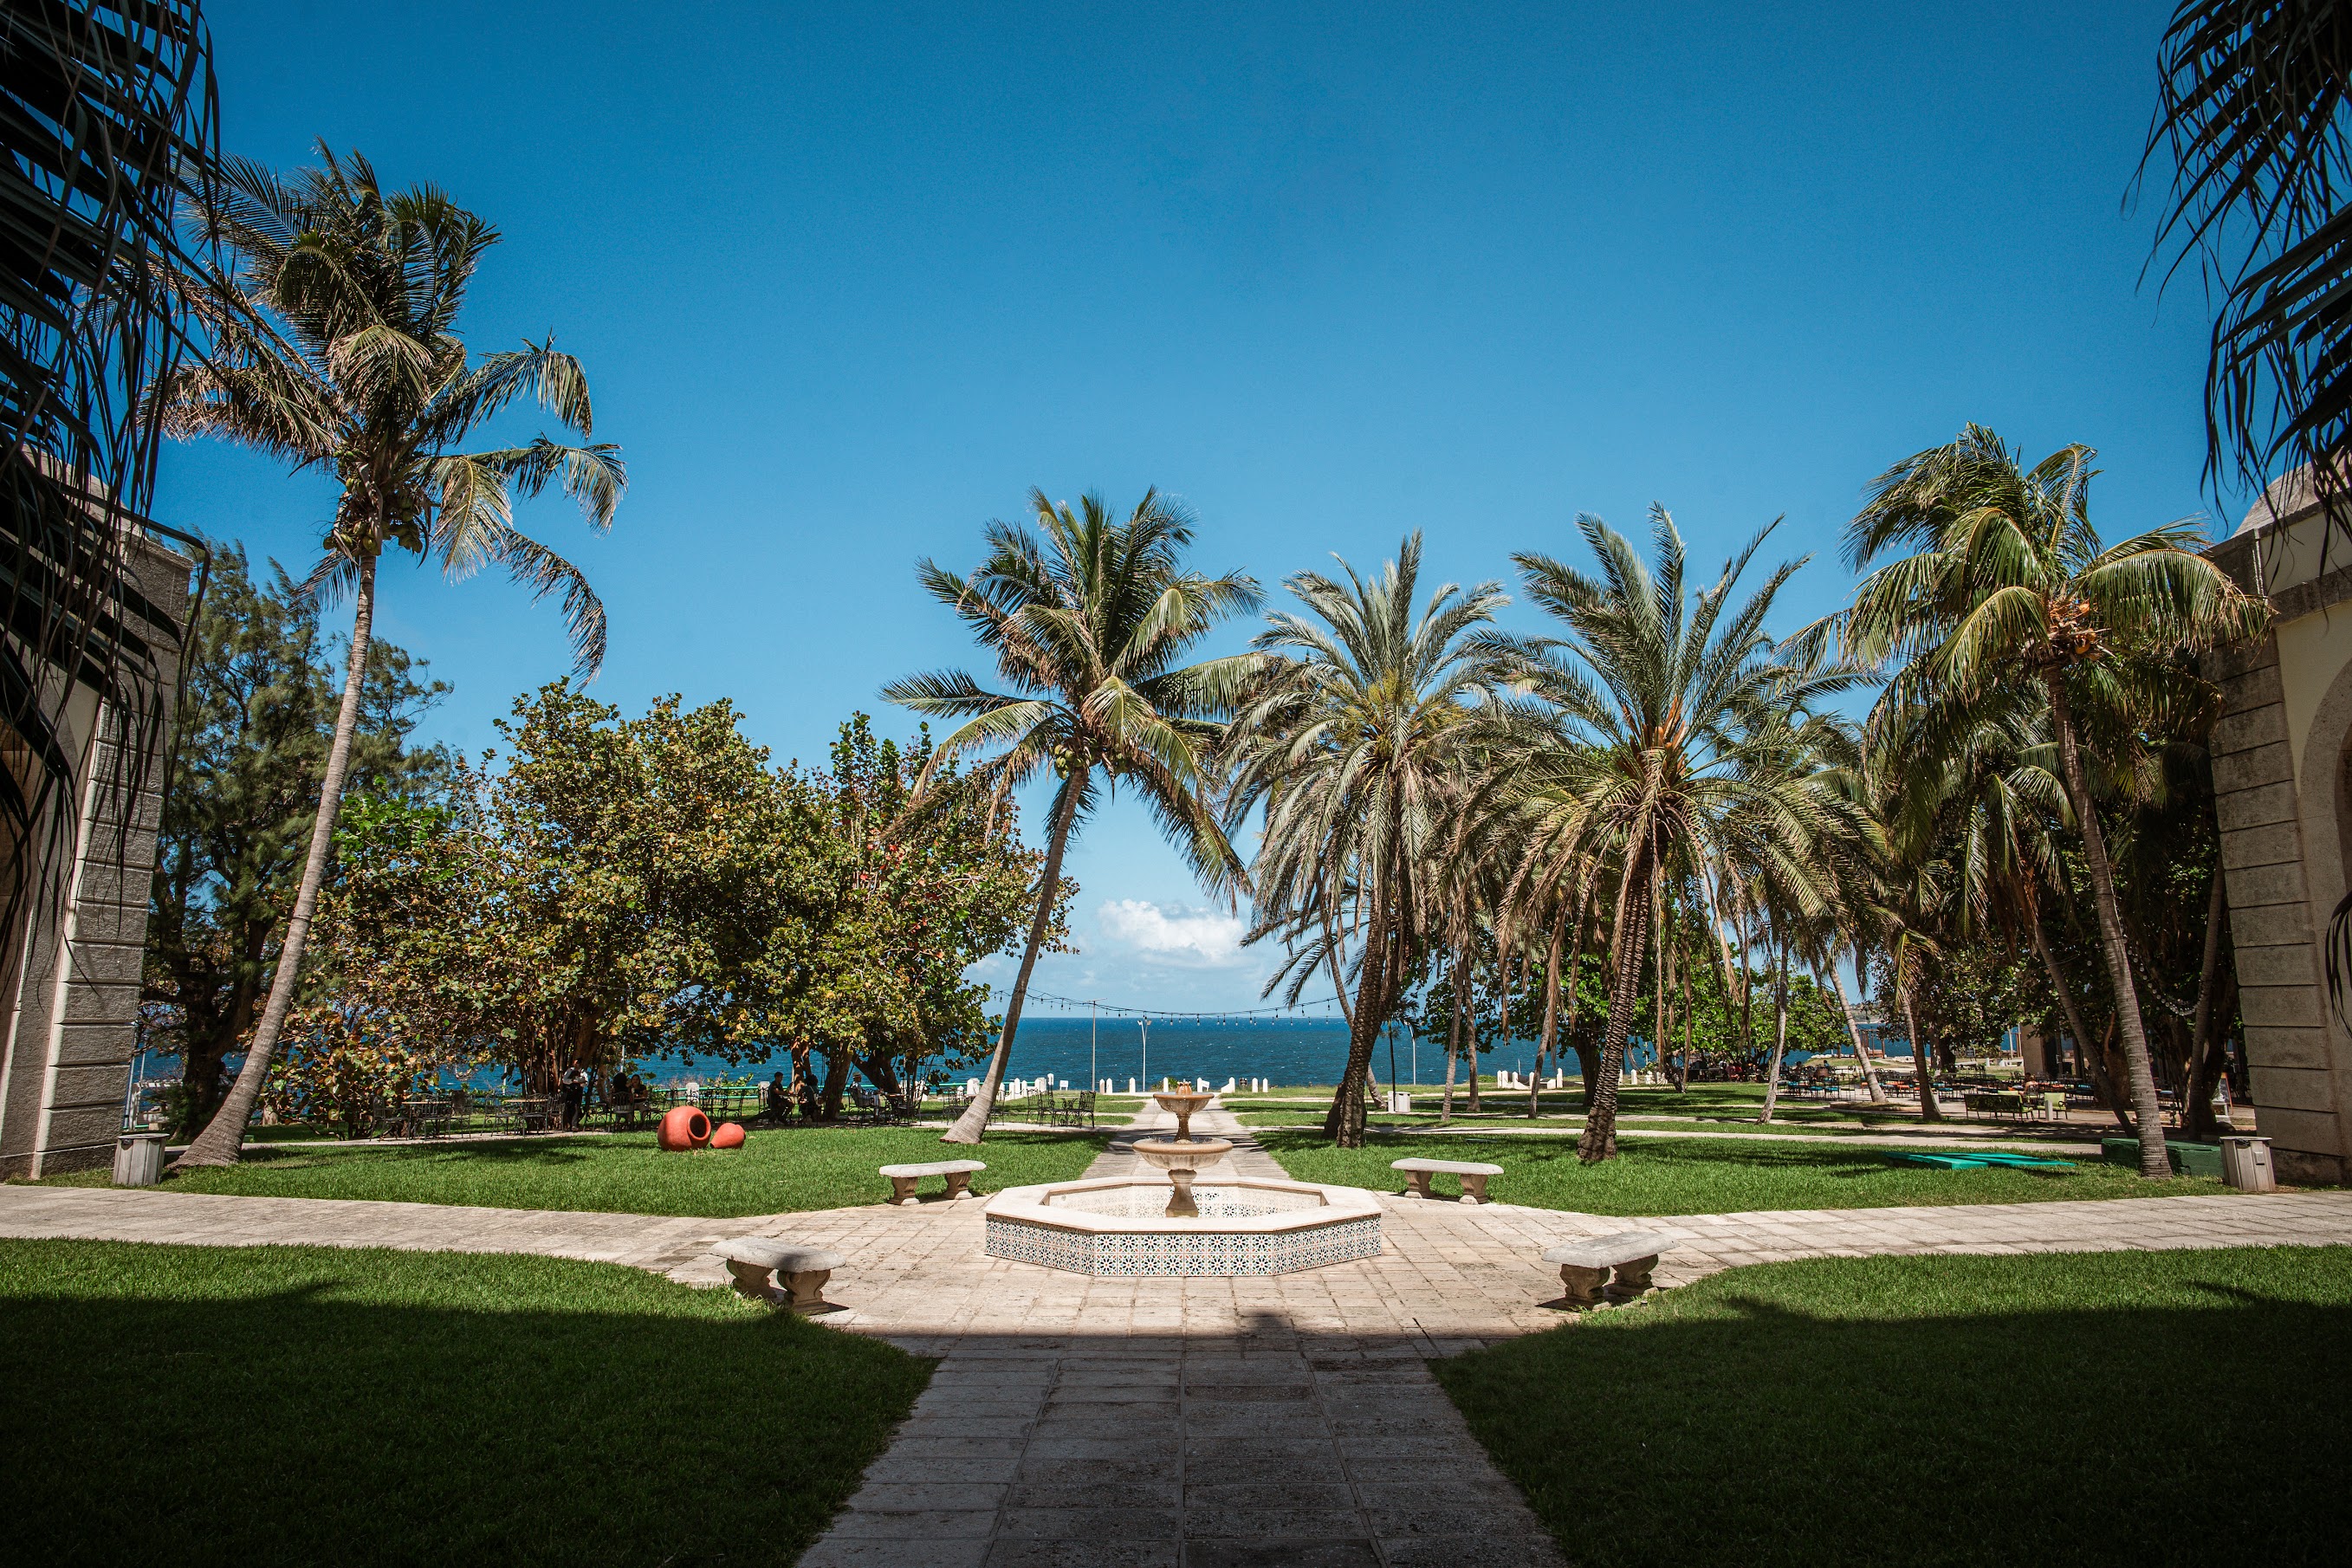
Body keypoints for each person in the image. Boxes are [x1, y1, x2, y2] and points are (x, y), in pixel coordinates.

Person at [560, 1066, 586, 1131]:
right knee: (568, 1107)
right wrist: (572, 1081)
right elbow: (564, 1080)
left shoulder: (583, 1072)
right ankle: (569, 1124)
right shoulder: (569, 1071)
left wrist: (579, 1082)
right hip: (569, 1092)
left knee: (576, 1108)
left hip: (578, 1092)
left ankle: (574, 1125)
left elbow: (585, 1082)